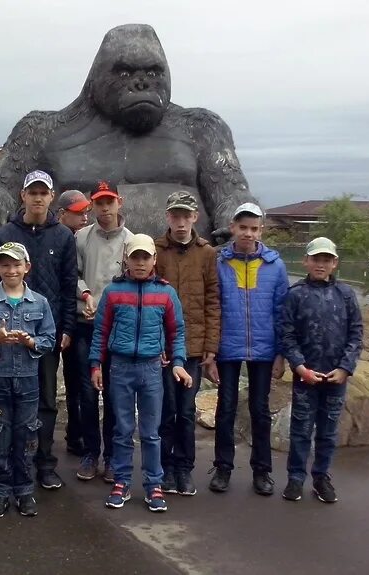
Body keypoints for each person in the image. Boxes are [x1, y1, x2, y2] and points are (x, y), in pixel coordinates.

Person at [0, 170, 77, 490]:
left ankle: (44, 462)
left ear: (52, 196)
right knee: (9, 398)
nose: (38, 197)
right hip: (8, 333)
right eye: (32, 192)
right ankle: (10, 461)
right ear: (22, 195)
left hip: (46, 334)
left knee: (46, 400)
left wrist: (66, 327)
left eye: (43, 192)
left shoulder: (64, 236)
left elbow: (69, 286)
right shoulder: (6, 233)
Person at [89, 234, 192, 513]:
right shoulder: (113, 292)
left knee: (151, 432)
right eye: (135, 257)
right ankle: (121, 482)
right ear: (127, 259)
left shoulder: (166, 293)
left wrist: (179, 361)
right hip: (120, 367)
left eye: (145, 257)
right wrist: (96, 365)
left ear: (154, 260)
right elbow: (100, 331)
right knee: (121, 429)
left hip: (151, 370)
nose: (140, 263)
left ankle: (153, 484)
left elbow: (176, 331)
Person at [0, 242, 56, 518]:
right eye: (4, 264)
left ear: (27, 268)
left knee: (27, 435)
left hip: (28, 381)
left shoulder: (40, 302)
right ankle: (0, 492)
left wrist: (32, 342)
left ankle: (25, 490)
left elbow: (50, 339)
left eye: (16, 264)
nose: (11, 270)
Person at [210, 203, 289, 496]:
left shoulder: (274, 265)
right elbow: (213, 307)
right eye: (243, 227)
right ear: (233, 228)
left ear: (261, 231)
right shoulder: (219, 262)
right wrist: (211, 352)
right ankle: (222, 468)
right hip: (227, 347)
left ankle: (262, 471)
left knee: (260, 409)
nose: (248, 233)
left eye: (254, 228)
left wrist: (280, 353)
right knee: (226, 408)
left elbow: (282, 311)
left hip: (264, 349)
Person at [278, 237, 363, 503]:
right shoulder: (295, 294)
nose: (321, 264)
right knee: (301, 429)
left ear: (334, 263)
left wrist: (345, 368)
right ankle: (295, 478)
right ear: (306, 261)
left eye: (326, 260)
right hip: (306, 376)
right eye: (316, 259)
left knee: (327, 430)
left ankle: (321, 477)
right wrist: (299, 366)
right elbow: (287, 334)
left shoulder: (346, 295)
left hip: (336, 377)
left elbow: (356, 333)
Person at [154, 191, 220, 497]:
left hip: (193, 348)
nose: (180, 222)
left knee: (187, 409)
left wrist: (211, 344)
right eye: (175, 216)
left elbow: (212, 300)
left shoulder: (207, 253)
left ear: (195, 217)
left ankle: (184, 468)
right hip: (163, 347)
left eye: (186, 216)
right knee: (165, 410)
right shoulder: (156, 250)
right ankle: (165, 468)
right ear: (168, 217)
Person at [72, 182, 133, 482]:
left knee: (114, 393)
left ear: (119, 203)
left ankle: (111, 455)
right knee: (87, 392)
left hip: (119, 327)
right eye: (99, 203)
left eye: (110, 202)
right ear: (92, 206)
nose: (105, 208)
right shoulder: (81, 237)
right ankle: (90, 452)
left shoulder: (132, 241)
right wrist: (85, 295)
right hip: (87, 324)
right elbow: (74, 274)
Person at [56, 188, 92, 458]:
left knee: (79, 381)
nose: (84, 217)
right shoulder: (58, 237)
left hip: (75, 319)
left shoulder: (82, 239)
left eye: (85, 212)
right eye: (78, 213)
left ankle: (76, 432)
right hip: (53, 318)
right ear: (62, 214)